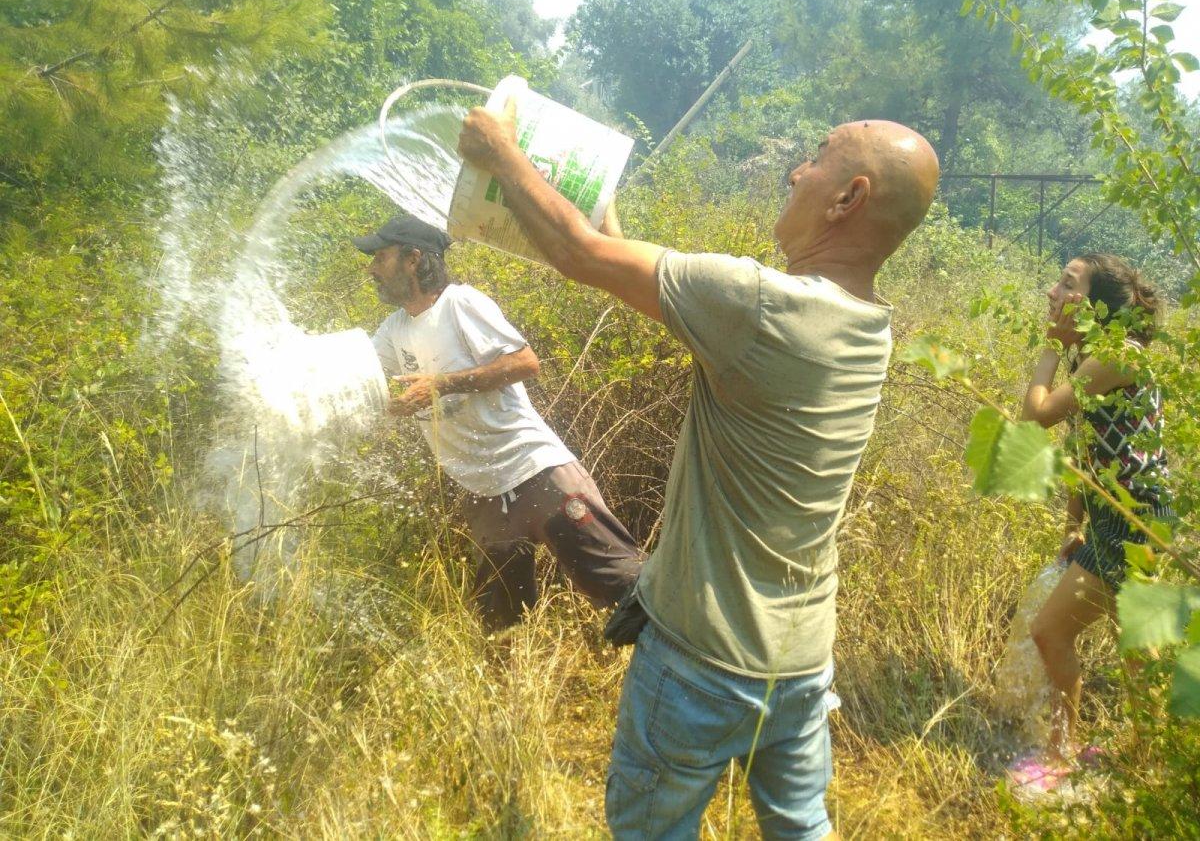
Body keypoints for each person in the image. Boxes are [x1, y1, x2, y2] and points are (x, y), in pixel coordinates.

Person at [458, 102, 939, 840]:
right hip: (801, 664)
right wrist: (593, 200)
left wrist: (500, 156)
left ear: (850, 198)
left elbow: (583, 257)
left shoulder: (757, 306)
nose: (795, 170)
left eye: (817, 156)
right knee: (802, 826)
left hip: (703, 663)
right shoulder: (864, 325)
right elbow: (615, 261)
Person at [355, 214, 644, 632]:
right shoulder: (393, 329)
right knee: (500, 624)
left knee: (624, 586)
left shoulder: (461, 303)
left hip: (535, 470)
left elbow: (526, 363)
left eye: (380, 258)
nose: (372, 269)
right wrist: (388, 402)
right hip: (482, 490)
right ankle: (517, 695)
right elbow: (368, 378)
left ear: (414, 259)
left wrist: (440, 384)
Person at [1014, 254, 1173, 783]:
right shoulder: (1096, 355)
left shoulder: (1116, 356)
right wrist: (1073, 525)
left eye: (1067, 283)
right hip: (1121, 515)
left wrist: (1052, 345)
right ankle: (1149, 765)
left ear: (1096, 305)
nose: (1053, 292)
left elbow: (1035, 415)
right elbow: (1083, 445)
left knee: (1049, 632)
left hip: (1135, 520)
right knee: (1137, 649)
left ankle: (1062, 755)